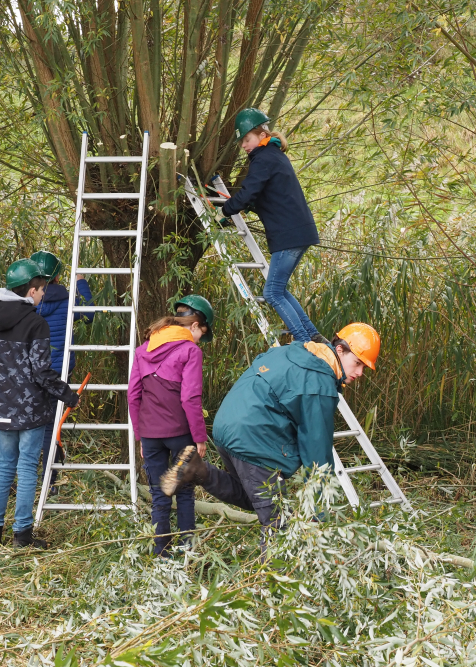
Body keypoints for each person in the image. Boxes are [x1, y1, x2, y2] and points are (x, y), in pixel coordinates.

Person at [160, 323, 380, 547]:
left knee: (254, 495)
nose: (360, 372)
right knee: (278, 524)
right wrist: (319, 513)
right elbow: (317, 453)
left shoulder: (293, 351)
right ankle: (273, 579)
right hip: (255, 439)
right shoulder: (319, 383)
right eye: (358, 363)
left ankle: (197, 470)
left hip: (227, 426)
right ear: (340, 350)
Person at [0, 259, 80, 548]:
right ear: (31, 291)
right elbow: (41, 371)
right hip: (30, 409)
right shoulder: (35, 323)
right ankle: (22, 535)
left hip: (0, 408)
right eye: (41, 291)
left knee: (3, 466)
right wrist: (67, 394)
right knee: (26, 469)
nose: (42, 296)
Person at [220, 108, 325, 344]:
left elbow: (249, 191)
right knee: (280, 289)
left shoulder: (264, 158)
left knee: (271, 293)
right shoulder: (274, 156)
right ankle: (314, 336)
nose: (244, 146)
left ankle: (305, 342)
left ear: (260, 133)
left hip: (289, 235)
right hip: (298, 231)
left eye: (246, 140)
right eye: (241, 143)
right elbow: (268, 195)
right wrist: (246, 205)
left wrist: (224, 210)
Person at [128, 295, 214, 557]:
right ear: (196, 325)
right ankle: (186, 550)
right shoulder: (190, 351)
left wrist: (140, 436)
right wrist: (200, 437)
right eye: (202, 333)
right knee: (185, 491)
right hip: (180, 435)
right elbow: (189, 398)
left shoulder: (143, 350)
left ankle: (160, 552)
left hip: (151, 436)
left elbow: (133, 395)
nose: (200, 339)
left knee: (159, 493)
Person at [29, 250, 94, 493]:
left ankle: (29, 478)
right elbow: (89, 314)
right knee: (51, 426)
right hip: (60, 371)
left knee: (31, 424)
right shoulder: (68, 301)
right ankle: (51, 481)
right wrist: (80, 282)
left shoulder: (26, 301)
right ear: (57, 277)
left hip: (32, 372)